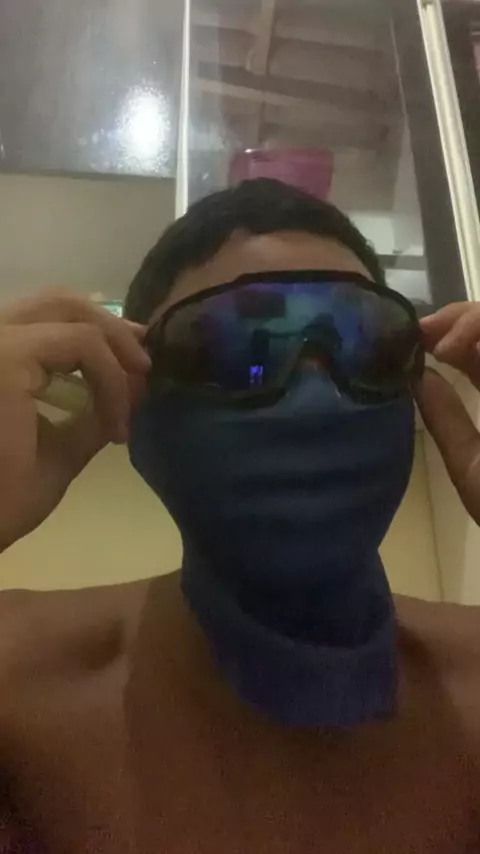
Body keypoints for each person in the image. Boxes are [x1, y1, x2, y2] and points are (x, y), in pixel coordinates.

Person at [1, 178, 480, 853]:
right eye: (233, 349)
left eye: (367, 340)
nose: (316, 399)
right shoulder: (18, 685)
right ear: (133, 407)